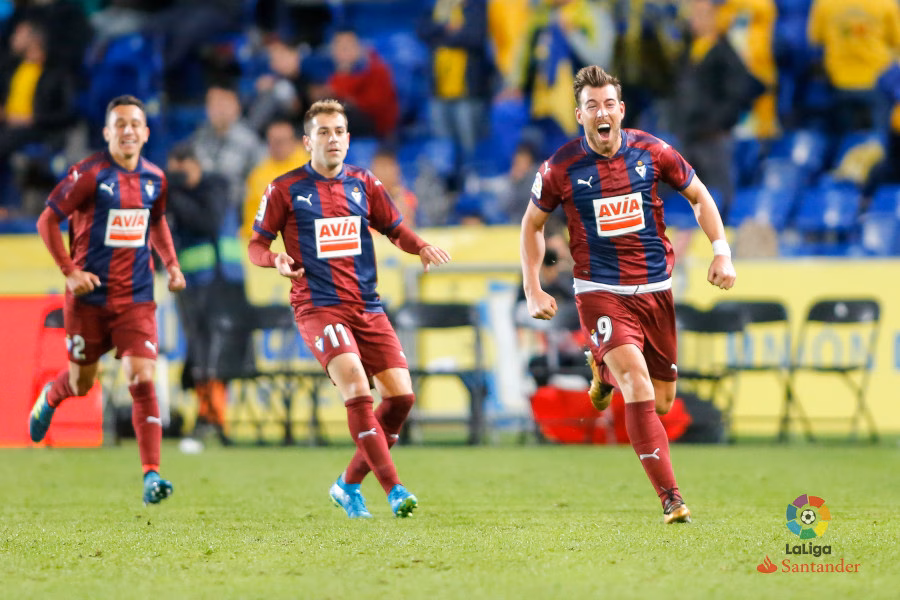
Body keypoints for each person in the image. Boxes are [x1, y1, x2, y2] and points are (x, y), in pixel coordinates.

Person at [520, 66, 737, 524]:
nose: (602, 112)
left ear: (621, 109)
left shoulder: (653, 151)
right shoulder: (560, 167)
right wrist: (533, 287)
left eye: (608, 104)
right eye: (592, 106)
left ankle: (601, 370)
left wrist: (722, 252)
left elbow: (700, 196)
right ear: (580, 115)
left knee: (662, 402)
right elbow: (532, 225)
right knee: (637, 384)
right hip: (600, 291)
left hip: (655, 290)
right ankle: (671, 499)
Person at [247, 99, 451, 518]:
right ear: (308, 141)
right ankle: (394, 489)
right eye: (323, 132)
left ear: (348, 138)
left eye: (339, 131)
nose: (333, 139)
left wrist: (421, 247)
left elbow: (395, 228)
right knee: (357, 387)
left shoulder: (364, 182)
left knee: (401, 398)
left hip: (367, 306)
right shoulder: (284, 189)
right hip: (318, 307)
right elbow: (255, 245)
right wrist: (275, 259)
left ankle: (347, 485)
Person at [30, 95, 186, 505]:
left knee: (142, 376)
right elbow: (47, 219)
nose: (128, 130)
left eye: (135, 123)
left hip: (136, 297)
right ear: (107, 132)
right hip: (89, 300)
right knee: (82, 383)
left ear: (145, 132)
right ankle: (51, 396)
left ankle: (151, 475)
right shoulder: (89, 174)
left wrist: (171, 265)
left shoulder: (155, 178)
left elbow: (156, 222)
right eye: (120, 124)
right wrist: (70, 271)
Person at [166, 142, 244, 447]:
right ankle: (207, 414)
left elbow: (208, 221)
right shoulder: (174, 197)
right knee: (198, 352)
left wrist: (173, 193)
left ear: (195, 164)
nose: (178, 179)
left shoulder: (216, 185)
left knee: (219, 352)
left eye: (181, 172)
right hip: (190, 285)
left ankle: (214, 416)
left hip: (223, 282)